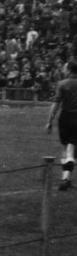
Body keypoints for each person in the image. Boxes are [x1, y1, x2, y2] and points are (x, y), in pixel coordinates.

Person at [46, 59, 77, 191]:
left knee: (66, 148)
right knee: (72, 148)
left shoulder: (62, 84)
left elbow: (56, 103)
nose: (63, 70)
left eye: (65, 68)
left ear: (69, 70)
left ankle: (65, 179)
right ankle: (66, 178)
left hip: (65, 117)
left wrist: (49, 120)